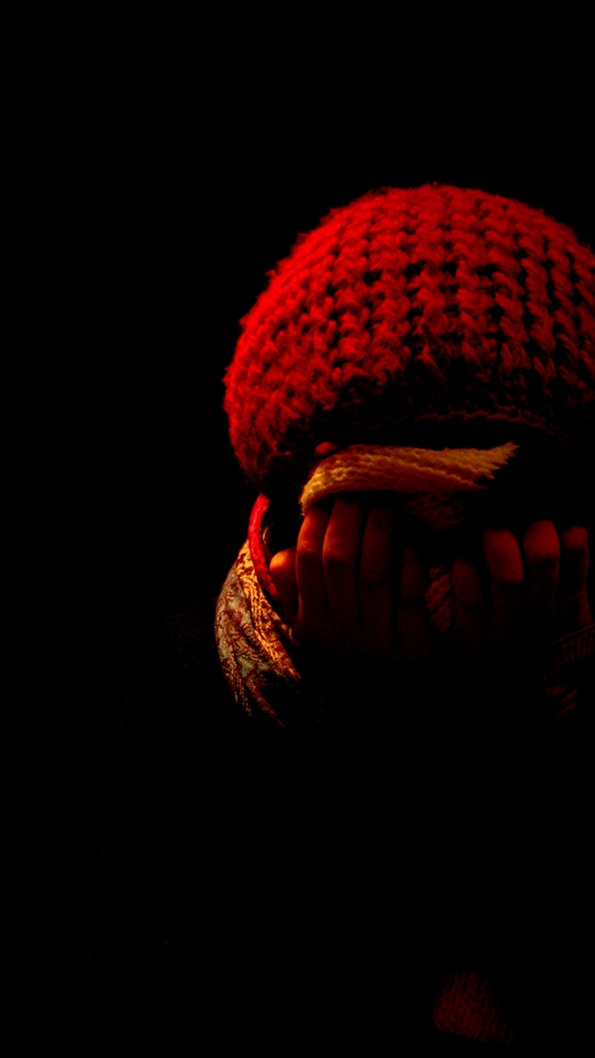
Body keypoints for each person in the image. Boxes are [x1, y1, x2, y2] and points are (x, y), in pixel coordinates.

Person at [84, 184, 594, 1050]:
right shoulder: (192, 679)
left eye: (485, 499)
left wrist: (516, 722)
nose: (433, 558)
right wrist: (363, 728)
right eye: (380, 507)